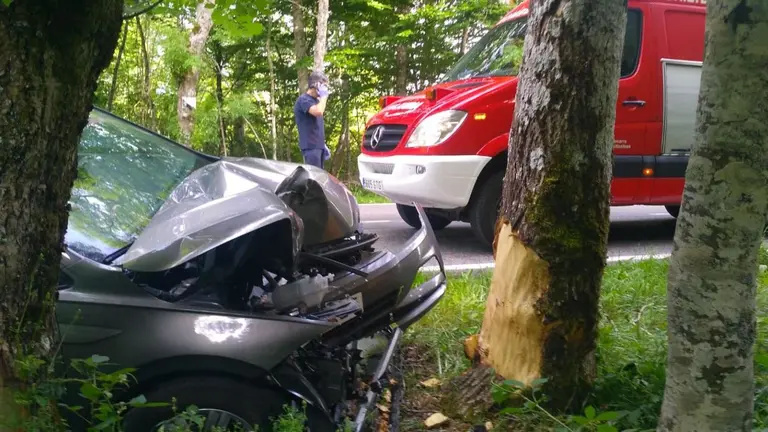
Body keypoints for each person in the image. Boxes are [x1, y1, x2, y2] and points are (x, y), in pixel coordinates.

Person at [294, 70, 331, 169]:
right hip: (310, 147)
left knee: (319, 176)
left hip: (318, 147)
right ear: (316, 85)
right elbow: (318, 111)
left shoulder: (316, 101)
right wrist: (324, 96)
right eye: (323, 85)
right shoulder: (304, 99)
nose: (324, 89)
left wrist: (322, 145)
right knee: (314, 176)